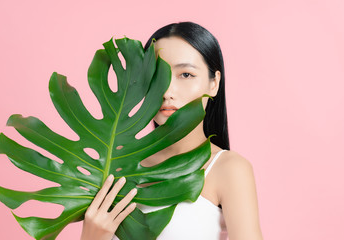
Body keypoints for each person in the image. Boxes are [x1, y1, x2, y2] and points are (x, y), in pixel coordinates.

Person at [80, 21, 263, 240]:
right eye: (157, 76)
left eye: (185, 75)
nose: (167, 91)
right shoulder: (117, 162)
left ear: (214, 83)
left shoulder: (229, 169)